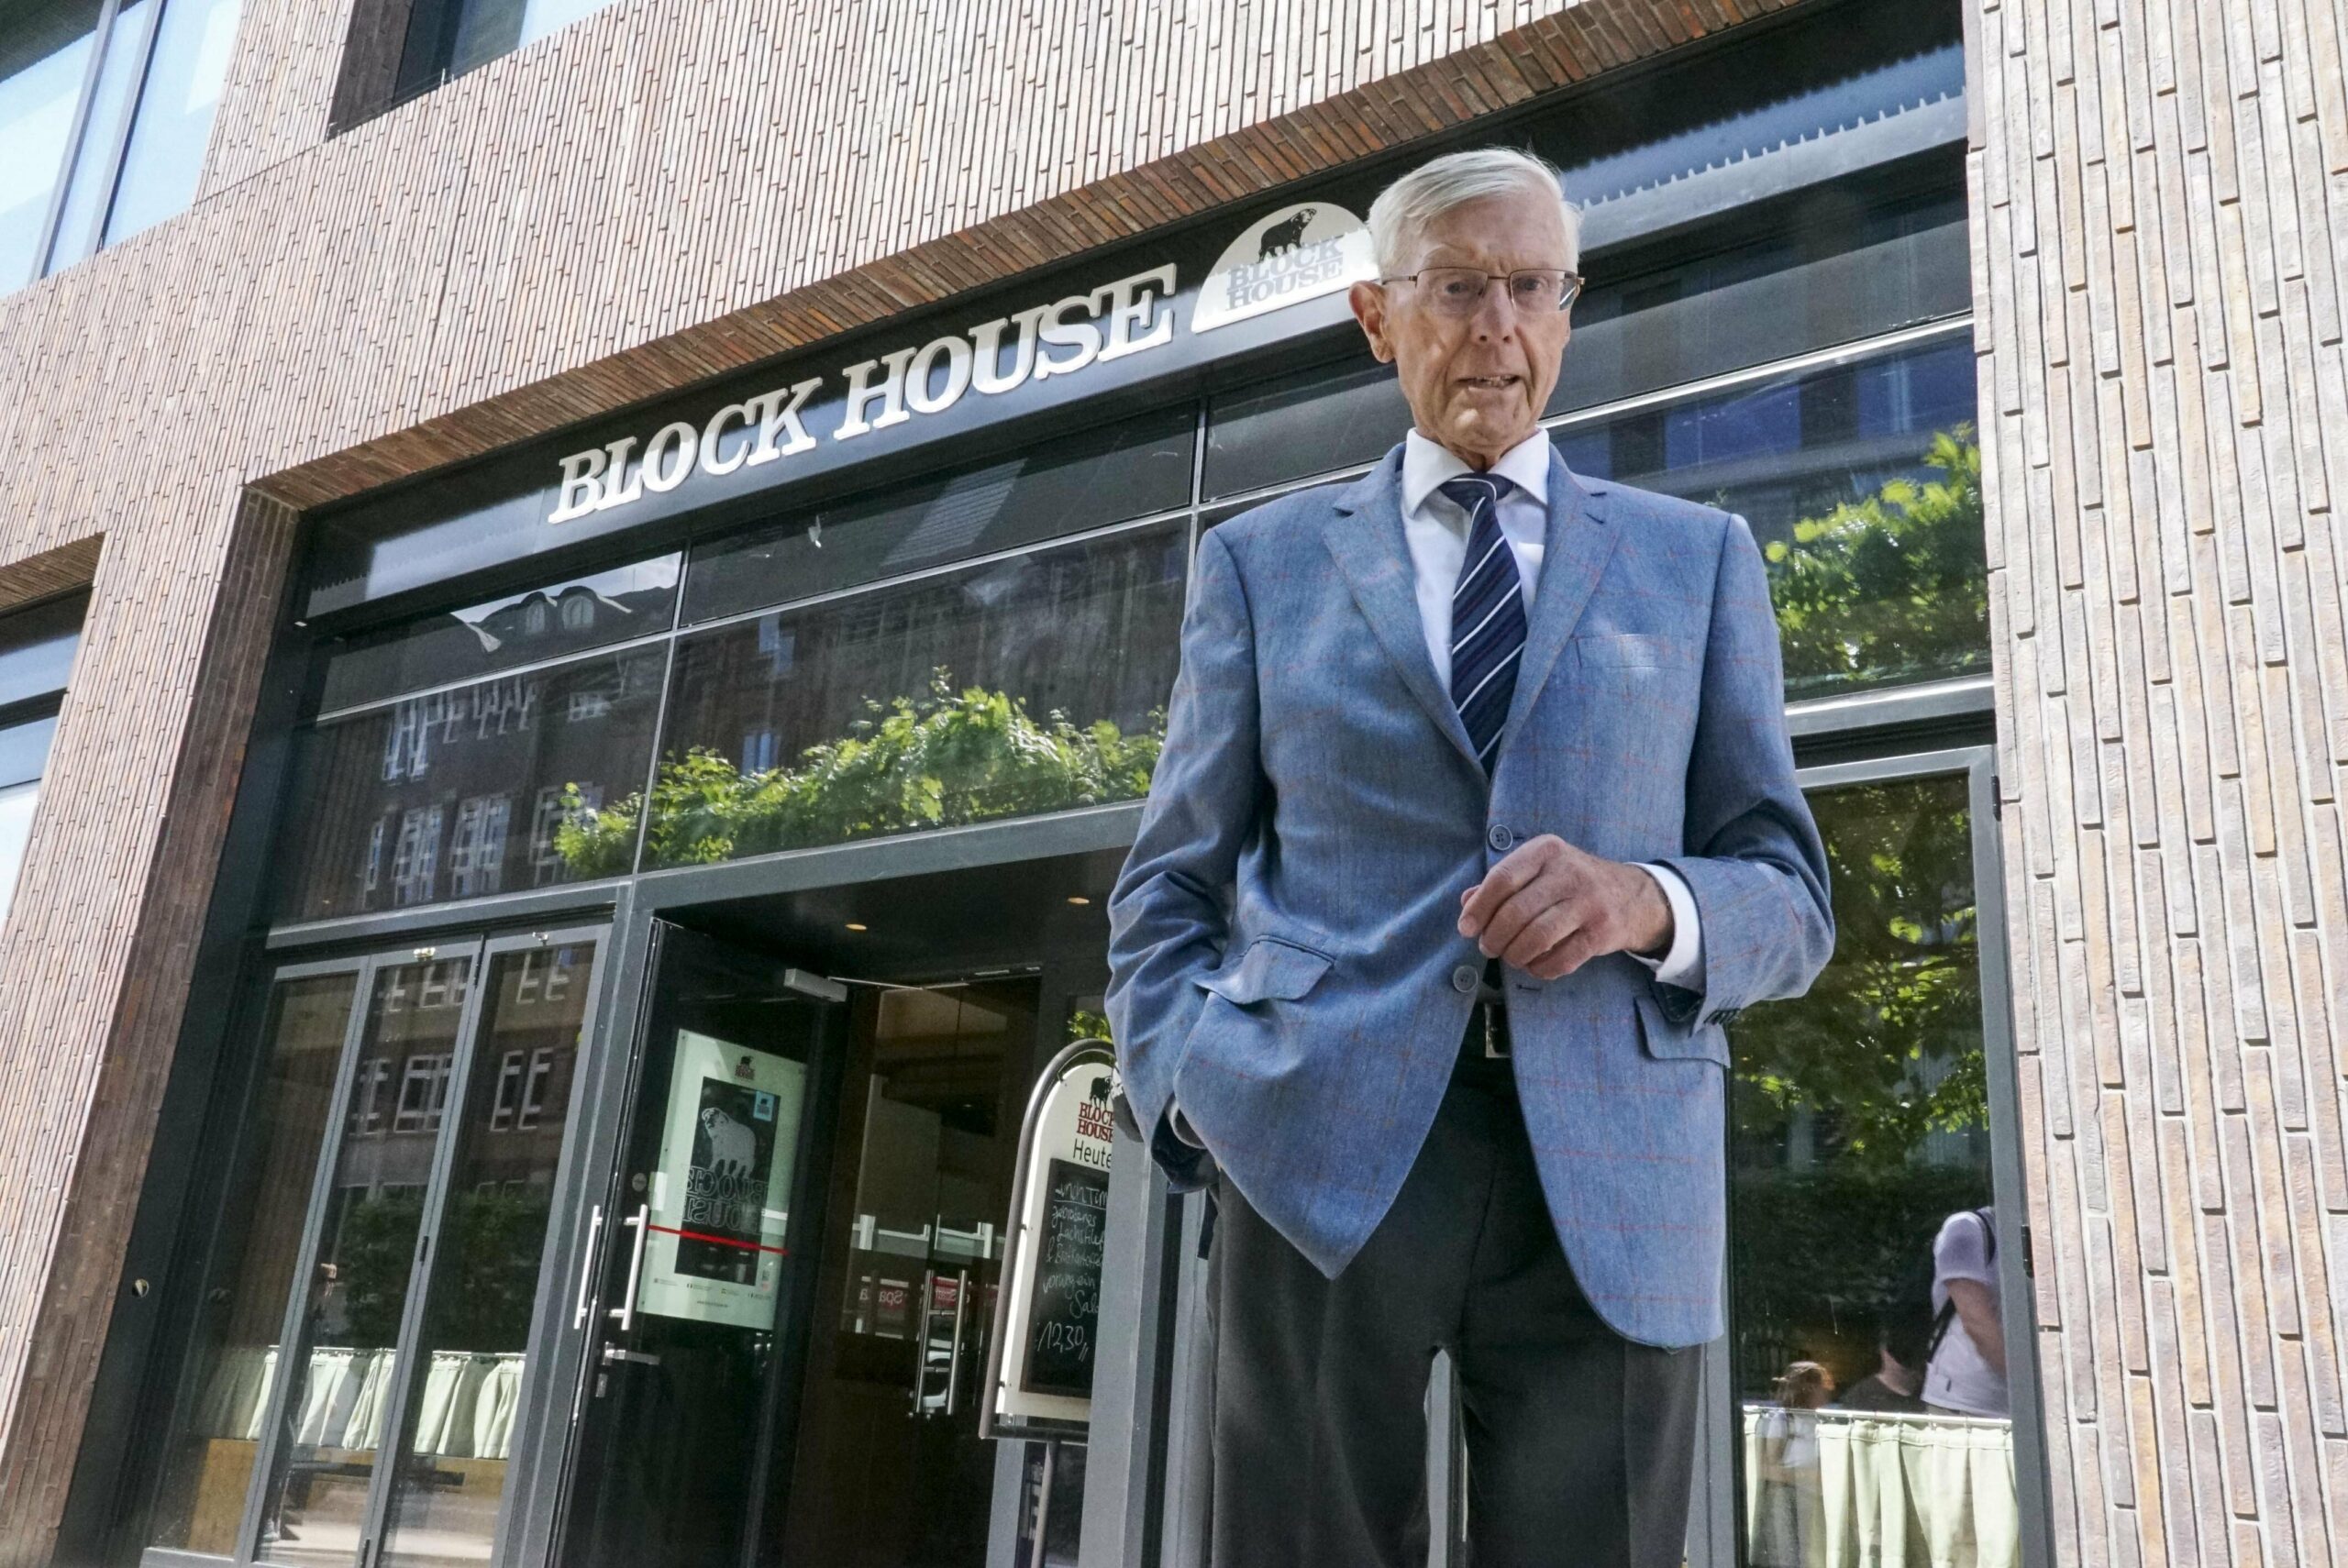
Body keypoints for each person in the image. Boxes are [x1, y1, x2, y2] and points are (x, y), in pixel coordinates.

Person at [1105, 146, 1834, 1567]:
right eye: (1458, 286)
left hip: (1616, 1177)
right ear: (1380, 317)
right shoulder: (1263, 564)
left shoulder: (1700, 561)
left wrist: (1649, 897)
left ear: (1567, 308)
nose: (1498, 323)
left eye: (1532, 285)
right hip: (1315, 1148)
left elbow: (1791, 895)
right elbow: (1168, 885)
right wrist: (1194, 1096)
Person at [1921, 1205, 2008, 1418]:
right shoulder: (1967, 1228)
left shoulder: (2040, 1234)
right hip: (1966, 1406)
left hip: (2012, 1405)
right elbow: (1976, 1322)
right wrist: (2029, 1385)